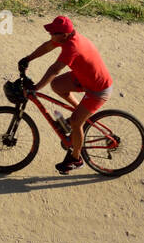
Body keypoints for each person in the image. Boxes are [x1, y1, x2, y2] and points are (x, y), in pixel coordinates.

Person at [18, 15, 113, 175]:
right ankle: (81, 112)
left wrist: (36, 87)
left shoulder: (72, 47)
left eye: (53, 33)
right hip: (84, 79)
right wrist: (28, 58)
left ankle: (76, 159)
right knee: (57, 85)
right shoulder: (65, 37)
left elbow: (55, 69)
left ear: (64, 34)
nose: (51, 36)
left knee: (76, 122)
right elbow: (47, 46)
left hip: (98, 89)